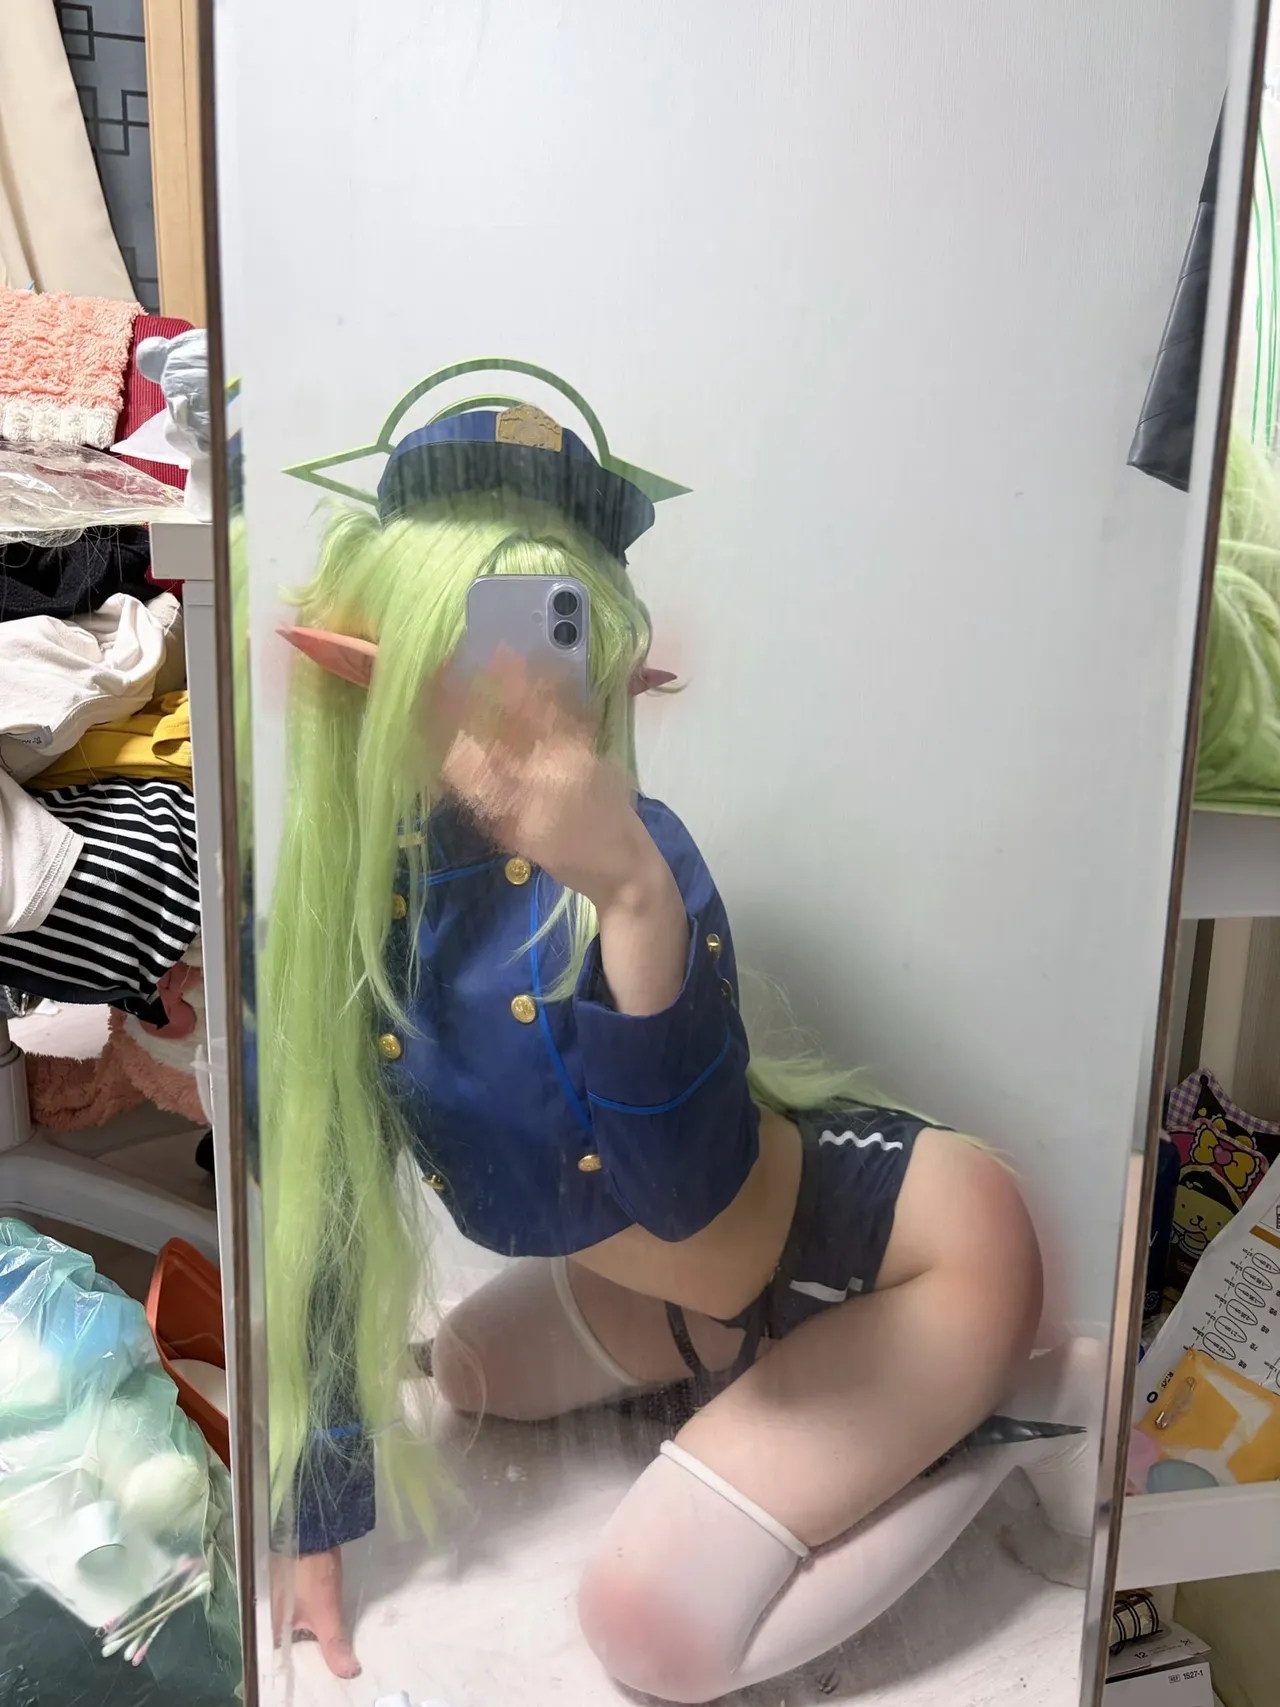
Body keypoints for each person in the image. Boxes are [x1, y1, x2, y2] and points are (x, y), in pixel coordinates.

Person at [263, 402, 1093, 1702]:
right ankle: (769, 1375)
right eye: (456, 657)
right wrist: (314, 1513)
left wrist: (637, 901)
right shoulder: (349, 924)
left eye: (545, 644)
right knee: (462, 1378)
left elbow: (684, 1191)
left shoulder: (643, 868)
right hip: (679, 1302)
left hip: (917, 1250)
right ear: (370, 677)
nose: (506, 698)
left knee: (652, 1631)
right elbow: (325, 1218)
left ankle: (1009, 1420)